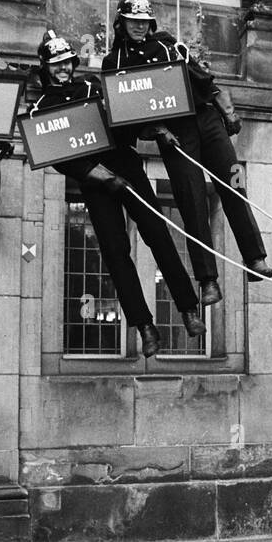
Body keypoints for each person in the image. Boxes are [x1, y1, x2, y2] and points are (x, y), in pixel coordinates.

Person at [28, 30, 204, 355]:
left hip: (125, 163)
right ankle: (145, 327)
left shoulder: (93, 85)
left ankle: (188, 309)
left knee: (158, 234)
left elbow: (129, 115)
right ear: (45, 68)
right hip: (95, 183)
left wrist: (156, 129)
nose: (63, 69)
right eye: (56, 65)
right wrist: (100, 176)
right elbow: (59, 157)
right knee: (115, 252)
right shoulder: (41, 108)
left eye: (67, 62)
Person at [102, 0, 272, 305]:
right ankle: (208, 280)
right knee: (192, 203)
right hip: (174, 134)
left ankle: (254, 258)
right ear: (121, 23)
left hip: (206, 120)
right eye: (132, 21)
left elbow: (205, 80)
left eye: (144, 21)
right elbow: (123, 115)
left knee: (234, 184)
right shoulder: (115, 62)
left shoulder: (170, 45)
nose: (139, 27)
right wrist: (155, 130)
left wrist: (228, 112)